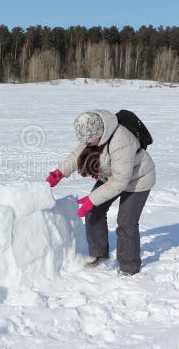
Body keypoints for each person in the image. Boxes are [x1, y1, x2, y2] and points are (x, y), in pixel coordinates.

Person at [45, 110, 155, 275]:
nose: (88, 144)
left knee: (126, 222)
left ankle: (129, 267)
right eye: (85, 141)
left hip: (137, 179)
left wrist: (92, 199)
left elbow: (120, 181)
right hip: (112, 176)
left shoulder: (120, 140)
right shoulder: (92, 132)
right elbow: (78, 154)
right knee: (93, 211)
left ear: (101, 133)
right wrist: (59, 173)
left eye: (91, 141)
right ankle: (99, 255)